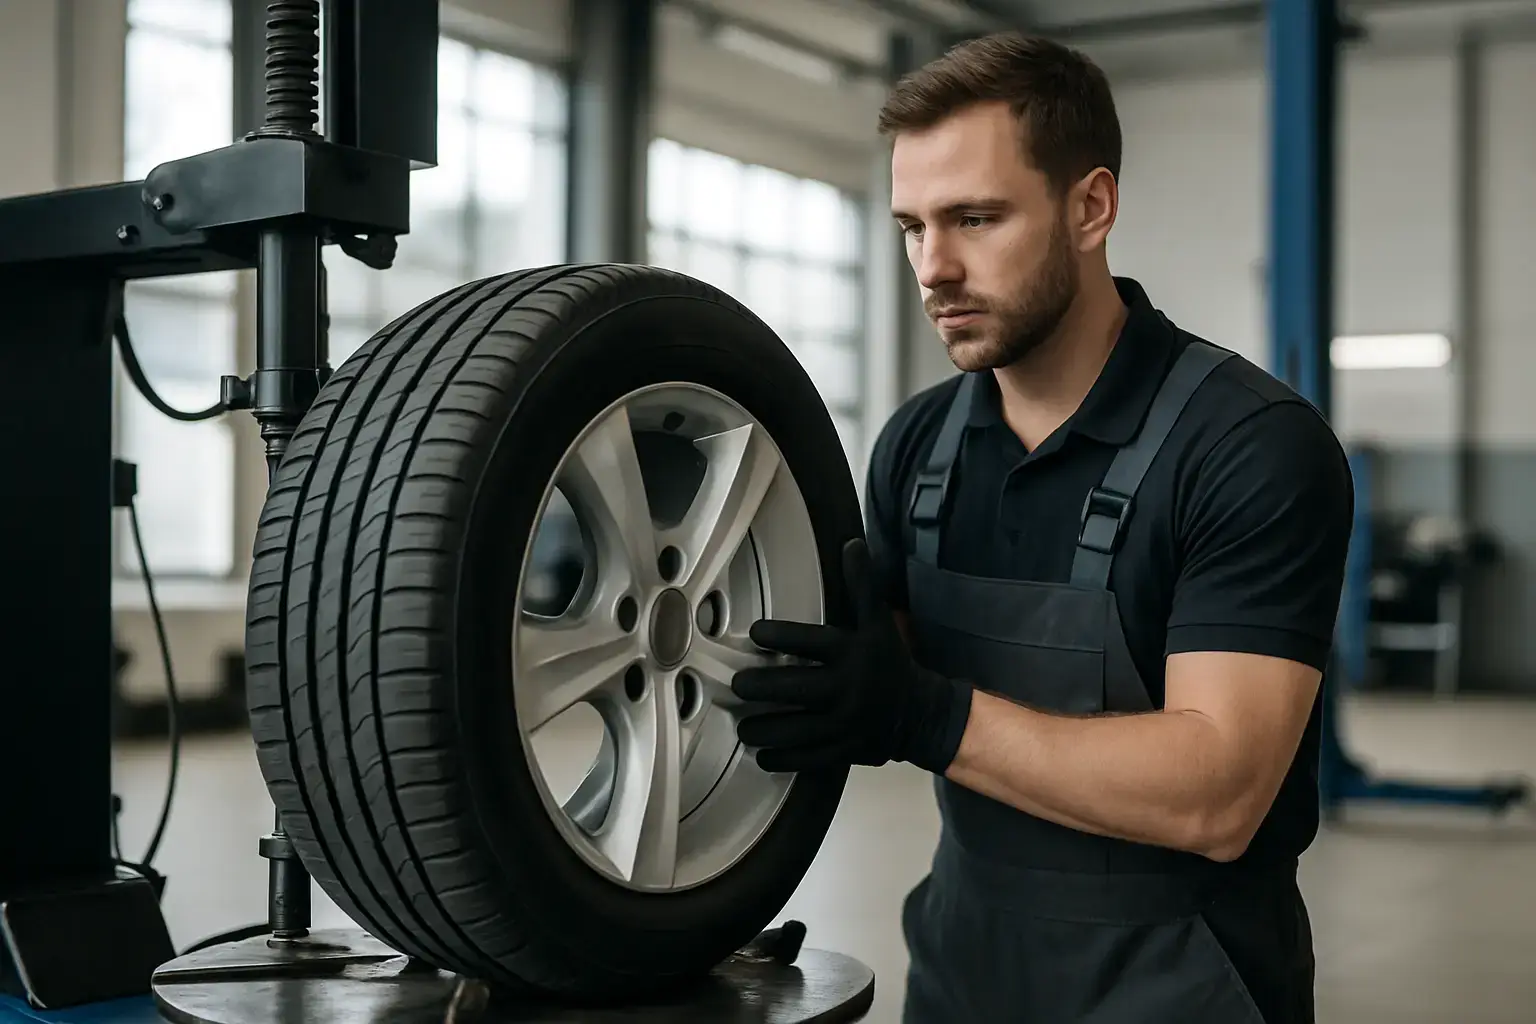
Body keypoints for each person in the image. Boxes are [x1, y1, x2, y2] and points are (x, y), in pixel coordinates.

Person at [730, 30, 1354, 1024]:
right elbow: (853, 687)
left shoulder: (1248, 445)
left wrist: (928, 717)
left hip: (1183, 989)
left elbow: (1221, 793)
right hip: (961, 972)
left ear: (1091, 208)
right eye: (912, 226)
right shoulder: (916, 446)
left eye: (976, 218)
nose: (933, 268)